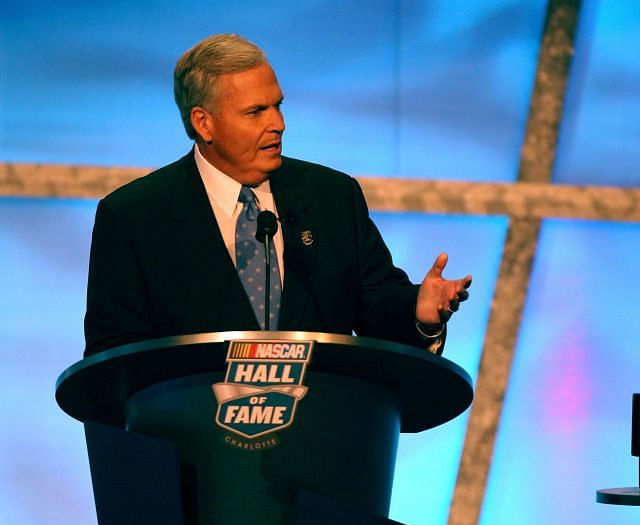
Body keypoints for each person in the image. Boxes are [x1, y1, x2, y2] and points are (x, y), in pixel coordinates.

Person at [83, 33, 471, 357]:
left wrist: (418, 312)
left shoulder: (331, 197)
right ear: (204, 123)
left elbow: (376, 306)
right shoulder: (135, 217)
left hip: (318, 434)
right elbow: (115, 356)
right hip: (193, 441)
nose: (279, 124)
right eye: (255, 112)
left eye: (278, 106)